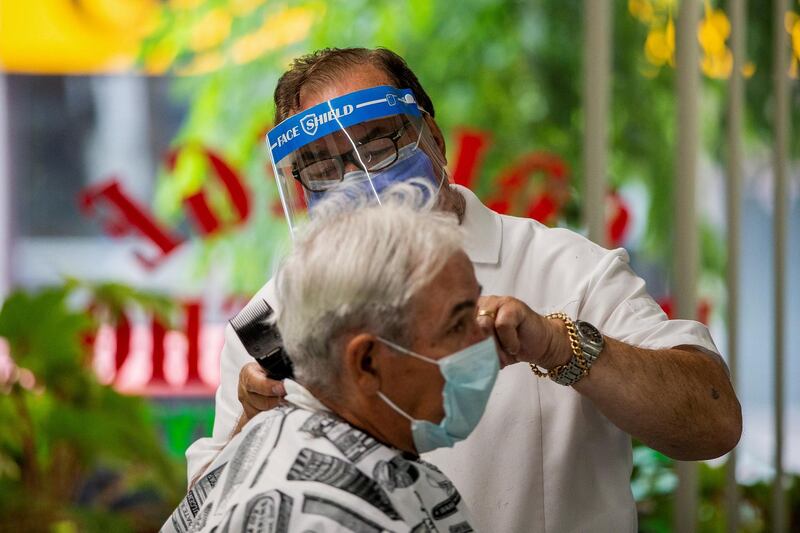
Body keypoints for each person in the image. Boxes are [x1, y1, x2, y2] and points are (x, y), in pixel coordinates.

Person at [187, 48, 742, 532]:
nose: (354, 178)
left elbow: (714, 424)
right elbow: (204, 515)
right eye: (321, 166)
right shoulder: (274, 318)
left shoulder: (568, 269)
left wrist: (559, 345)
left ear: (433, 138)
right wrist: (254, 425)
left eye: (374, 145)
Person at [166, 185, 494, 532]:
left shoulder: (376, 463)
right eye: (458, 323)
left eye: (477, 309)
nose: (484, 333)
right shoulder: (313, 519)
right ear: (367, 362)